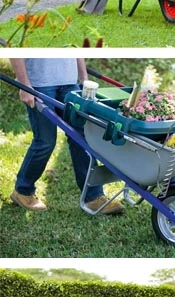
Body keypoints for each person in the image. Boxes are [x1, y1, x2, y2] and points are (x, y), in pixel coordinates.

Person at [9, 58, 123, 215]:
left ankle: (93, 197)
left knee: (82, 139)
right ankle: (23, 191)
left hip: (69, 83)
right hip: (39, 85)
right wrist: (24, 85)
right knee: (45, 141)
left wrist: (83, 78)